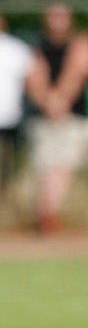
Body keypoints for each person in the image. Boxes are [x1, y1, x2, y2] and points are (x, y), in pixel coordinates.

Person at [23, 2, 88, 233]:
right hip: (44, 116)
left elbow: (76, 72)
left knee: (63, 166)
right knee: (45, 166)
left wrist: (60, 101)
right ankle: (46, 212)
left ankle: (48, 213)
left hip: (72, 115)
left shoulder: (81, 43)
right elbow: (35, 79)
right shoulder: (37, 47)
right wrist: (49, 102)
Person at [0, 15, 33, 206]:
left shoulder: (15, 48)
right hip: (11, 115)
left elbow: (30, 80)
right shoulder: (17, 48)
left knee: (9, 167)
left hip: (11, 117)